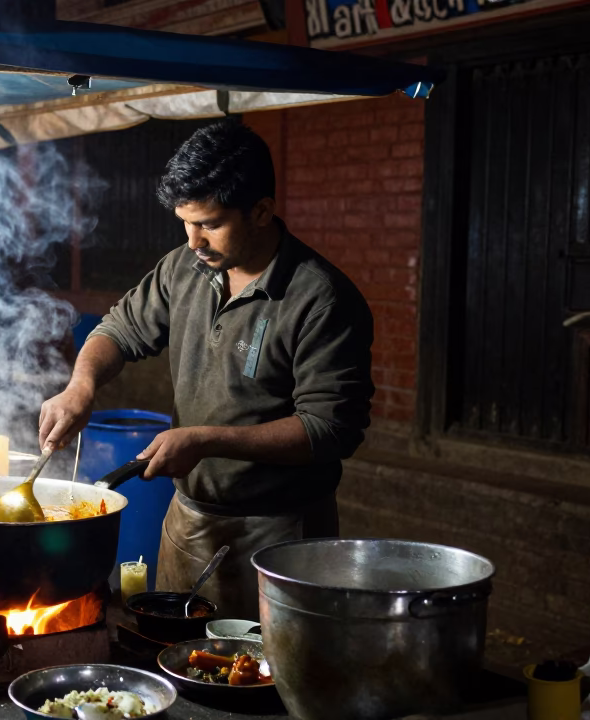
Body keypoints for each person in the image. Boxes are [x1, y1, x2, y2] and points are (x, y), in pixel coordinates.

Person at [38, 121, 374, 620]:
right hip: (189, 521)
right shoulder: (185, 267)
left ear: (261, 210)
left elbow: (330, 429)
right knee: (177, 662)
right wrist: (80, 386)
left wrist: (204, 440)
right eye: (185, 222)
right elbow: (119, 329)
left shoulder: (320, 298)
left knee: (262, 680)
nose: (193, 239)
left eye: (210, 223)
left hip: (282, 535)